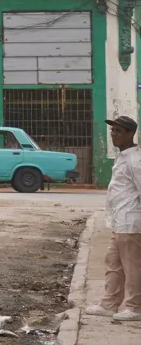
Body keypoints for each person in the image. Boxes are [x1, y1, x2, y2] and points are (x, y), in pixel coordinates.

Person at [86, 115, 141, 322]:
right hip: (119, 221)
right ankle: (109, 304)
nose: (114, 135)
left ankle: (135, 307)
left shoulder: (136, 160)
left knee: (132, 266)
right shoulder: (123, 157)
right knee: (113, 263)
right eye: (112, 131)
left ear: (130, 134)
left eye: (119, 131)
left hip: (131, 222)